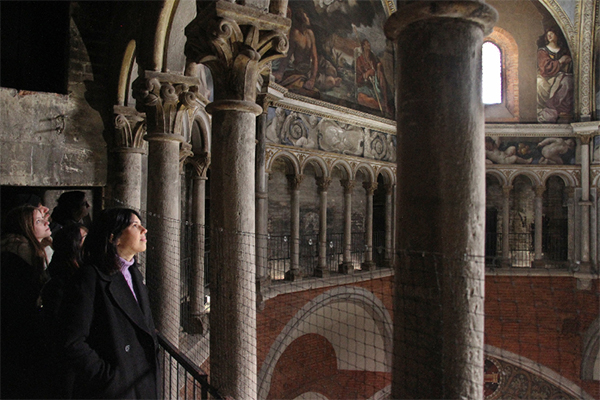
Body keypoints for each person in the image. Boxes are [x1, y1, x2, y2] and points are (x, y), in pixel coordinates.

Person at [59, 208, 160, 399]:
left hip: (140, 381)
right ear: (115, 238)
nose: (144, 230)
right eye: (135, 225)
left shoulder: (134, 274)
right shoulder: (90, 278)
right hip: (117, 390)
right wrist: (110, 378)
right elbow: (72, 341)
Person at [1, 204, 52, 399]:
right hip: (19, 336)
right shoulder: (20, 253)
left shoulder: (28, 248)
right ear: (25, 228)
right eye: (39, 221)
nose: (47, 222)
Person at [537, 26, 573, 122]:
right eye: (548, 34)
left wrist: (567, 62)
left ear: (557, 35)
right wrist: (560, 61)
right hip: (547, 77)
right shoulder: (543, 51)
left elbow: (570, 64)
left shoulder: (564, 51)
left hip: (561, 76)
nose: (549, 35)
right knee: (539, 82)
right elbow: (545, 67)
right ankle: (548, 109)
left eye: (552, 33)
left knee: (567, 81)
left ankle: (559, 109)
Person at [356, 39, 390, 114]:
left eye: (368, 43)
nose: (368, 44)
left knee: (381, 75)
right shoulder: (360, 60)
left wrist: (378, 68)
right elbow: (358, 80)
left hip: (376, 86)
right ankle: (380, 105)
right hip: (365, 87)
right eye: (366, 43)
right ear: (363, 46)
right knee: (361, 98)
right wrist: (366, 74)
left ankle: (385, 102)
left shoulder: (374, 59)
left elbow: (379, 69)